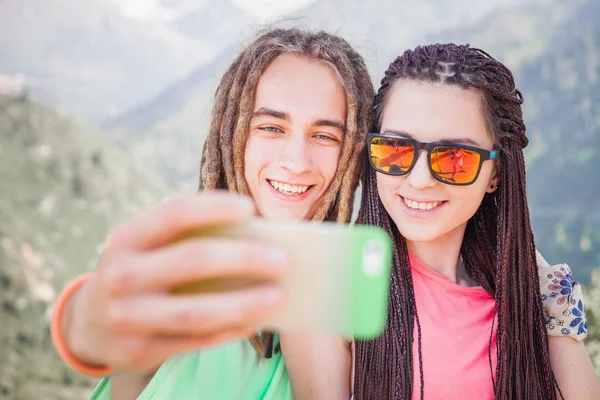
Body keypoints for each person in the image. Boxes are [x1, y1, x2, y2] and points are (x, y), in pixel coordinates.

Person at [50, 27, 375, 399]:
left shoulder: (354, 317)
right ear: (230, 132)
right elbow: (101, 330)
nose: (296, 161)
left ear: (353, 152)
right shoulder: (192, 278)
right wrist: (88, 314)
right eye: (272, 127)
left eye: (325, 136)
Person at [351, 43, 600, 399]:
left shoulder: (523, 299)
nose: (420, 179)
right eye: (396, 148)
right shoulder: (342, 286)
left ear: (495, 174)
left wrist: (543, 284)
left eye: (455, 157)